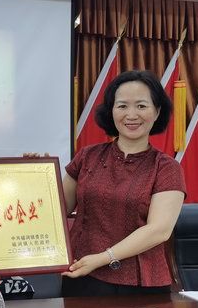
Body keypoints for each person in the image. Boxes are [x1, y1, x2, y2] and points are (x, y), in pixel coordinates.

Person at [60, 70, 186, 296]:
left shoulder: (166, 168)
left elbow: (159, 230)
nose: (131, 115)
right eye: (122, 106)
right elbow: (58, 210)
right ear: (111, 111)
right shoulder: (87, 156)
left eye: (141, 106)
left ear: (157, 112)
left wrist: (102, 258)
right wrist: (38, 172)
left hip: (140, 285)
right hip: (82, 275)